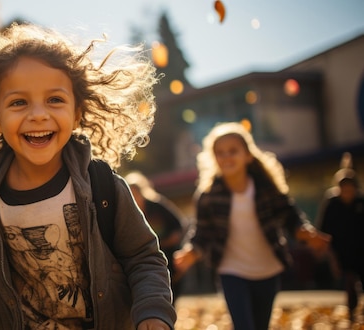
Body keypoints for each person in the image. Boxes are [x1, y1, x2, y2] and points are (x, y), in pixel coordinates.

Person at [0, 23, 176, 330]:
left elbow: (143, 259)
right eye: (18, 102)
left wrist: (152, 312)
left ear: (77, 112)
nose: (38, 114)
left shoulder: (101, 185)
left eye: (55, 99)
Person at [173, 122, 330, 330]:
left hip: (267, 268)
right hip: (231, 269)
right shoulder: (208, 195)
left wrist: (304, 232)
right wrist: (191, 252)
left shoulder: (266, 187)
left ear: (247, 155)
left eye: (233, 151)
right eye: (220, 153)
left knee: (260, 325)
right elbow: (202, 232)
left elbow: (290, 216)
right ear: (213, 158)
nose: (226, 157)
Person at [316, 152, 364, 321]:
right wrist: (330, 256)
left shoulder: (360, 202)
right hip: (342, 251)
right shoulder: (332, 204)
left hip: (361, 249)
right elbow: (324, 230)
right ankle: (352, 314)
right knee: (350, 283)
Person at [124, 171, 185, 301]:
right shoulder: (125, 214)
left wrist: (173, 239)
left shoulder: (157, 206)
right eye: (130, 195)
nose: (133, 199)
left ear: (142, 193)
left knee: (170, 296)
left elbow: (179, 225)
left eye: (135, 194)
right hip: (144, 258)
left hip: (168, 256)